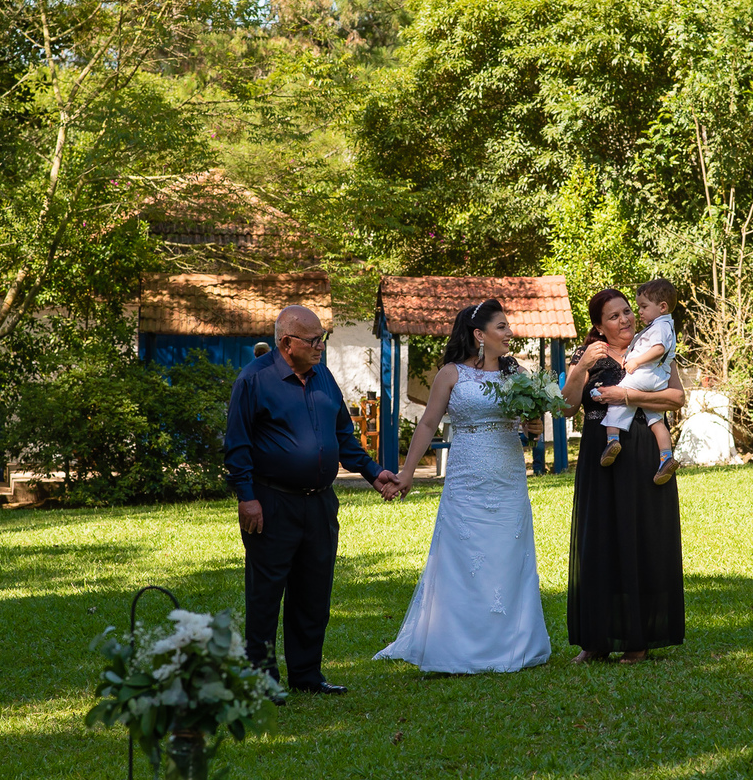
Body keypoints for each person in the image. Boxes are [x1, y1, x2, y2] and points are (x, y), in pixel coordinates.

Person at [224, 305, 397, 696]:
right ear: (287, 343)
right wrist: (247, 498)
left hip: (319, 504)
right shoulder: (254, 380)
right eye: (314, 340)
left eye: (323, 338)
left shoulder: (322, 377)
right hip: (272, 503)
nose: (320, 346)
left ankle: (307, 675)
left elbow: (343, 438)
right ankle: (262, 681)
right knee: (266, 595)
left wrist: (373, 472)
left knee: (314, 592)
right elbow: (237, 447)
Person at [374, 299, 552, 673]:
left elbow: (529, 425)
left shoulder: (515, 373)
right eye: (502, 327)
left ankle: (511, 644)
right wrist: (406, 473)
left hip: (508, 479)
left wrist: (534, 428)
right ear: (479, 335)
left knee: (507, 557)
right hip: (467, 480)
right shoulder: (450, 374)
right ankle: (458, 645)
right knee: (464, 559)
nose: (509, 333)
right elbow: (427, 425)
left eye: (508, 326)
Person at [562, 288, 686, 665]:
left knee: (642, 539)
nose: (625, 320)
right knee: (598, 541)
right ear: (599, 326)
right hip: (600, 455)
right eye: (614, 316)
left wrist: (626, 397)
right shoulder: (586, 356)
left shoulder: (655, 348)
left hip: (644, 453)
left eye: (628, 311)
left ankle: (639, 638)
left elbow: (677, 398)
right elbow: (566, 408)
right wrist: (581, 367)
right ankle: (596, 639)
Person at [597, 278, 680, 485]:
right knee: (657, 421)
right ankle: (666, 457)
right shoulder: (665, 324)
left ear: (662, 307)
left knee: (615, 402)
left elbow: (658, 349)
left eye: (643, 307)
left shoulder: (660, 326)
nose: (639, 312)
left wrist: (635, 361)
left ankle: (612, 441)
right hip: (658, 379)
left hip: (645, 374)